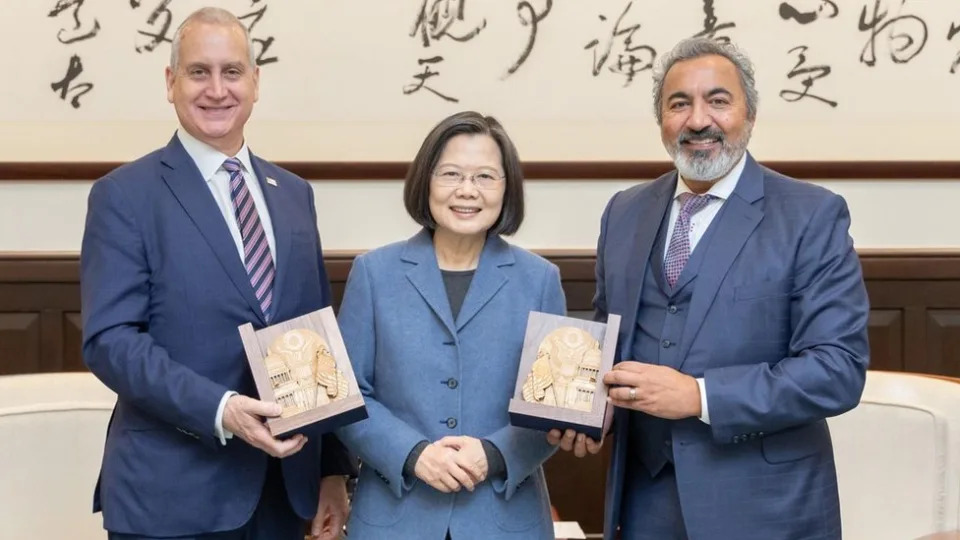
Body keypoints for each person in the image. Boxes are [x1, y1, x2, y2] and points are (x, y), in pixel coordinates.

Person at [549, 37, 870, 540]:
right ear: (662, 121)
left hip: (764, 507)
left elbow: (836, 370)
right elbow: (607, 334)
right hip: (642, 501)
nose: (698, 120)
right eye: (679, 104)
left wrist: (698, 395)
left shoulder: (811, 215)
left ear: (750, 115)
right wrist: (588, 407)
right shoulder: (624, 212)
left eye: (718, 101)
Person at [80, 7, 353, 540]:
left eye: (232, 72)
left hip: (284, 494)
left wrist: (331, 470)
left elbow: (316, 337)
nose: (216, 90)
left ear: (255, 82)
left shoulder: (294, 195)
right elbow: (110, 341)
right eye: (198, 72)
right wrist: (221, 409)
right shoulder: (125, 196)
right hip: (172, 496)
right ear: (170, 82)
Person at [334, 111, 566, 539]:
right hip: (393, 518)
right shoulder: (374, 273)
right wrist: (413, 454)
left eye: (484, 176)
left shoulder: (539, 281)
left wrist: (493, 453)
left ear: (506, 187)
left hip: (504, 519)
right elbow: (346, 397)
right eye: (451, 174)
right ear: (426, 181)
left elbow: (555, 410)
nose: (466, 190)